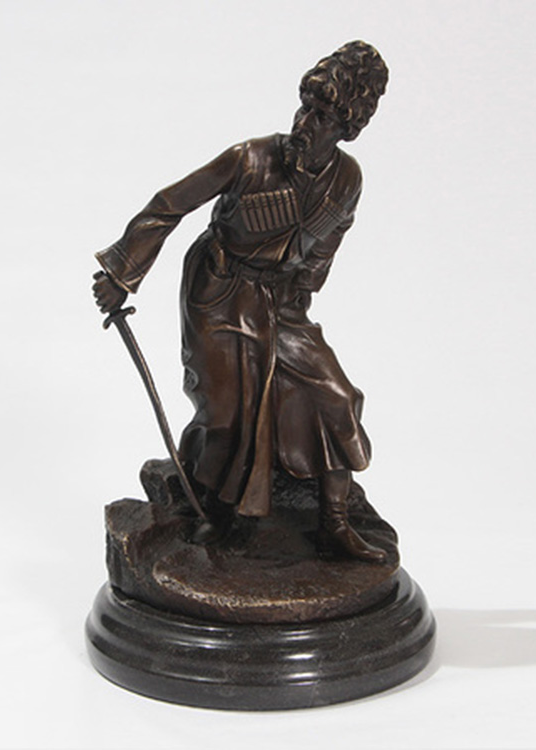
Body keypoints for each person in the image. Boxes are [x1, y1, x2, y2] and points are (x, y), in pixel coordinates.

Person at [93, 41, 389, 563]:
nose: (305, 123)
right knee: (226, 411)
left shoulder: (347, 179)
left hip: (279, 301)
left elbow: (328, 241)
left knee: (335, 396)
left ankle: (335, 523)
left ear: (347, 128)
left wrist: (300, 297)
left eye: (322, 118)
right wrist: (123, 273)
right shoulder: (250, 158)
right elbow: (170, 204)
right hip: (219, 290)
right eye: (305, 108)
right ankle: (222, 511)